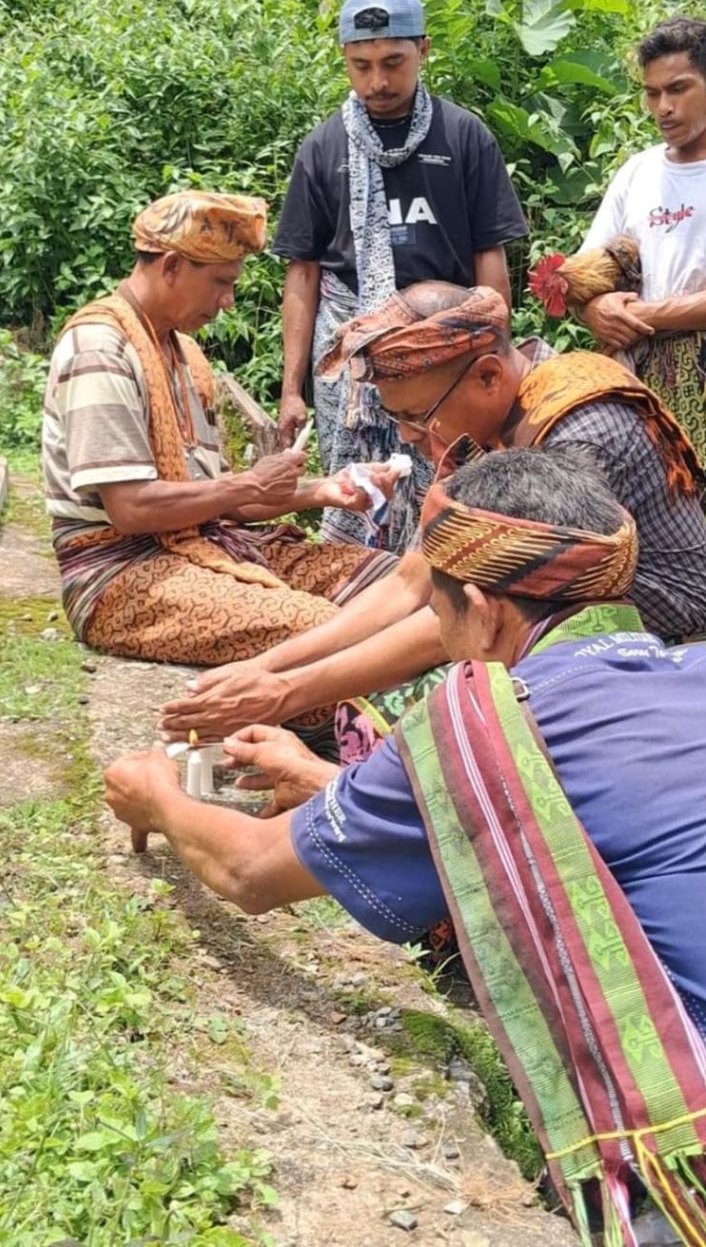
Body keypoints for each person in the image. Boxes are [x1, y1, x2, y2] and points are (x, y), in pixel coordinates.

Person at [106, 449, 706, 1247]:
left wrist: (159, 797)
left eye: (437, 608)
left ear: (484, 612)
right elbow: (565, 815)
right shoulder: (687, 669)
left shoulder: (483, 728)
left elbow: (248, 870)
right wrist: (321, 777)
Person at [161, 280, 706, 746]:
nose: (405, 437)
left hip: (661, 635)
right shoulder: (481, 423)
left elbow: (475, 615)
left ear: (489, 376)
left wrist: (284, 692)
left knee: (384, 732)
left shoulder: (574, 431)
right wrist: (266, 667)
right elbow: (412, 582)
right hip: (525, 615)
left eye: (417, 416)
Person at [42, 190, 399, 678]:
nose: (227, 301)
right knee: (322, 630)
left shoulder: (185, 355)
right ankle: (334, 746)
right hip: (118, 576)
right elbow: (130, 508)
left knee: (391, 583)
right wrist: (248, 484)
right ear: (170, 266)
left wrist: (321, 491)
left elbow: (216, 502)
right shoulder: (99, 349)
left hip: (209, 544)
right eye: (220, 282)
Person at [273, 0, 527, 550]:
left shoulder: (463, 136)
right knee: (357, 490)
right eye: (360, 66)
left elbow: (489, 256)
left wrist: (497, 354)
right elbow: (304, 273)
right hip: (351, 348)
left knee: (450, 481)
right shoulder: (323, 147)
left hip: (447, 350)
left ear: (424, 51)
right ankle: (355, 584)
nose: (378, 82)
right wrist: (294, 388)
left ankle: (444, 601)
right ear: (344, 59)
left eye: (393, 62)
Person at [576, 16, 706, 467]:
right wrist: (595, 309)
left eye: (678, 89)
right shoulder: (639, 172)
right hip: (637, 385)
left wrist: (642, 315)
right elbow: (586, 270)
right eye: (653, 94)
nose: (663, 107)